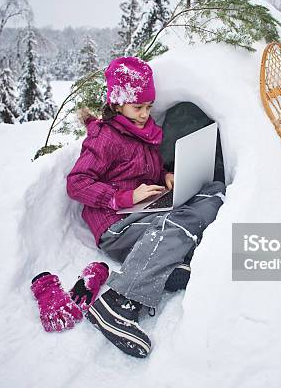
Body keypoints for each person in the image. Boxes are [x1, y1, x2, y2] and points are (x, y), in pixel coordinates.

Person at [66, 56, 225, 358]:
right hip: (115, 224)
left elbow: (142, 170)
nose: (144, 114)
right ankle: (118, 301)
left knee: (213, 192)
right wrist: (125, 198)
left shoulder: (145, 133)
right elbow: (77, 183)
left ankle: (166, 262)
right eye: (137, 107)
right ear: (116, 104)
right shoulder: (105, 138)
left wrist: (165, 176)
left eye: (148, 107)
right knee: (175, 224)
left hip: (142, 213)